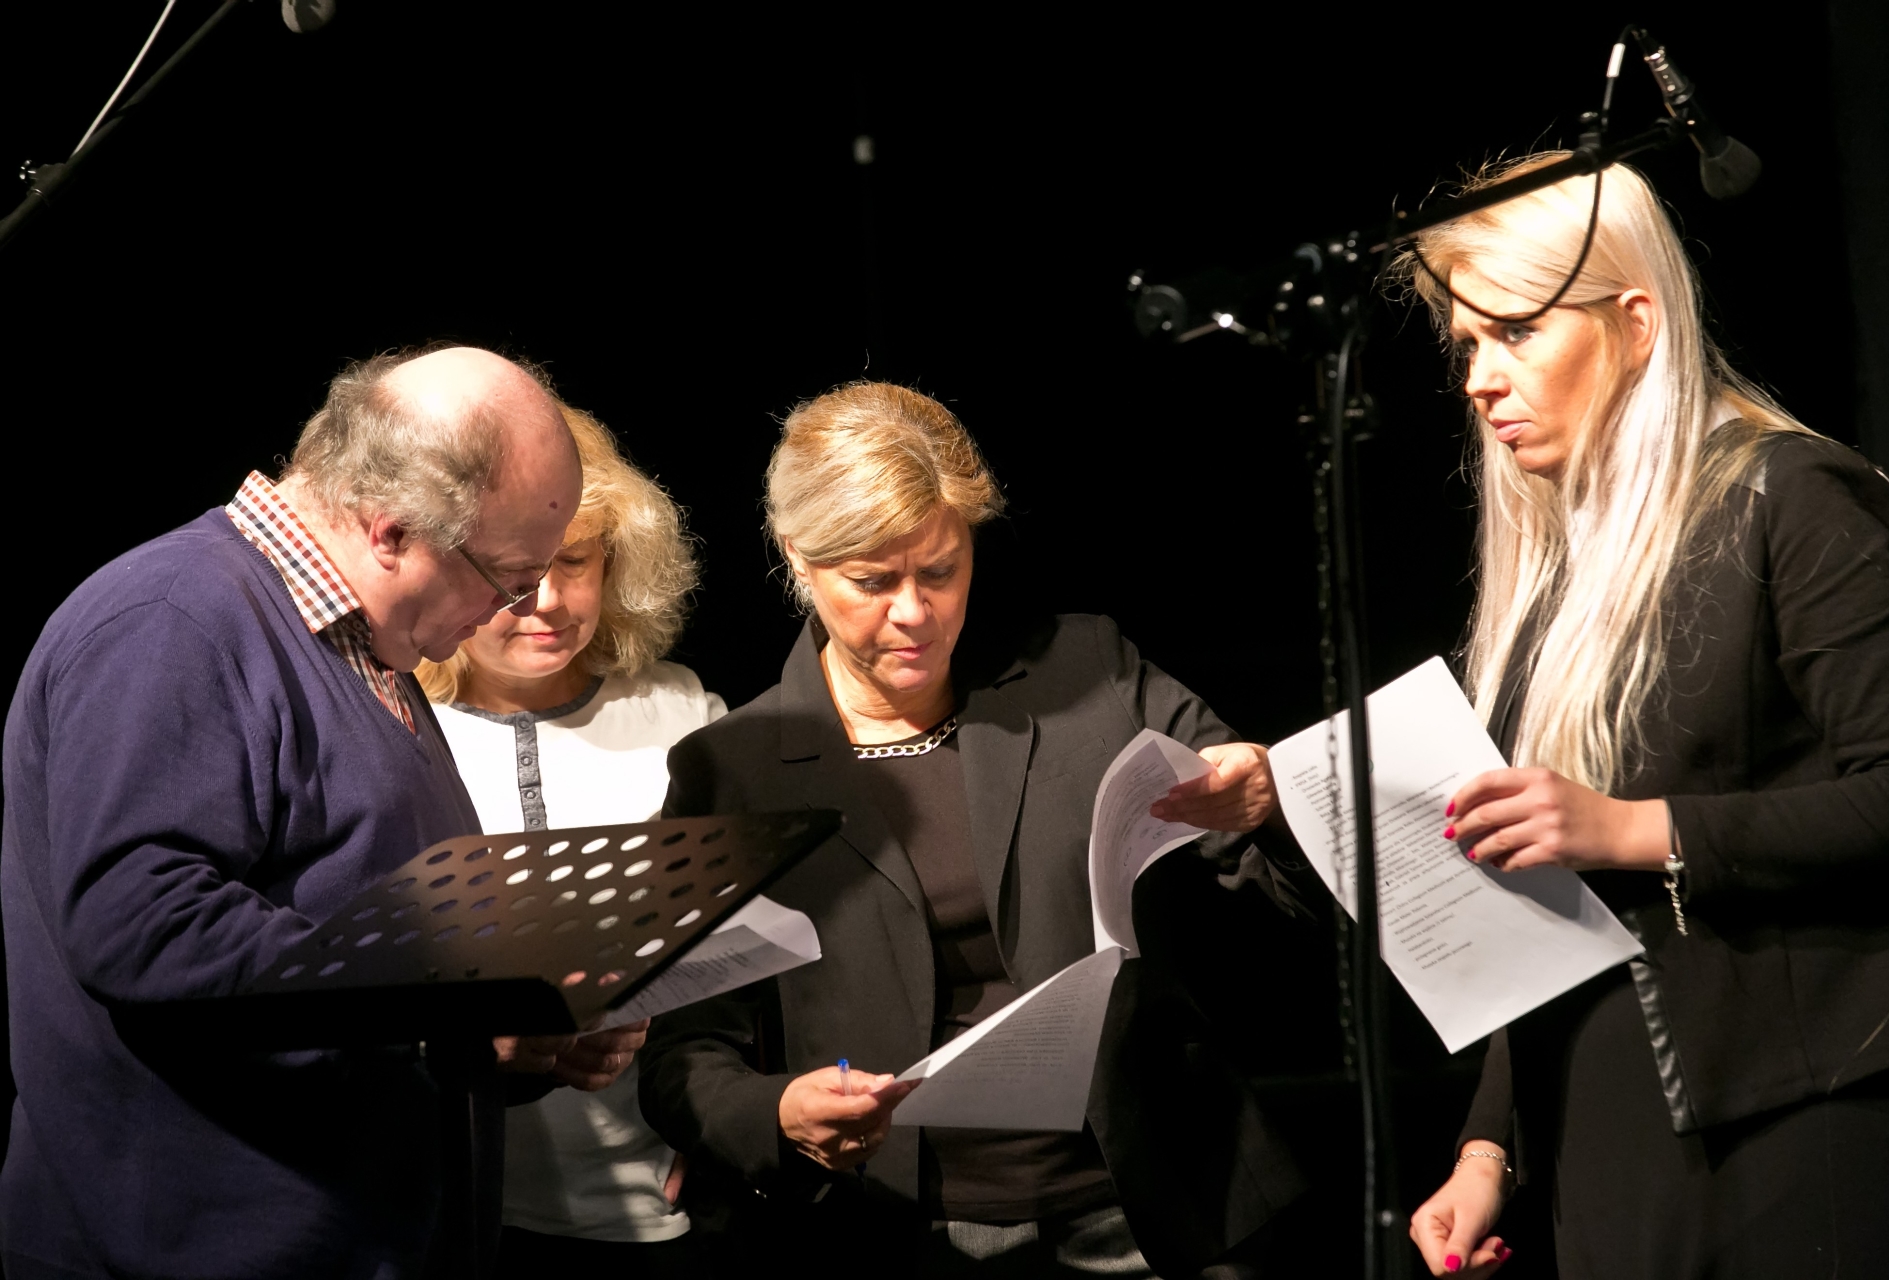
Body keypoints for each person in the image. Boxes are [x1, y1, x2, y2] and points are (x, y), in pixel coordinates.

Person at [635, 382, 1310, 1279]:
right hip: (892, 1228)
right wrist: (779, 1113)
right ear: (798, 558)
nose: (914, 611)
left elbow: (1280, 884)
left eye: (941, 570)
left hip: (1154, 1206)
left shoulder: (1087, 672)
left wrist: (1271, 801)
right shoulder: (734, 769)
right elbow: (684, 1053)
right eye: (873, 582)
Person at [0, 347, 647, 1279]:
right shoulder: (171, 618)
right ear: (391, 531)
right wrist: (449, 1014)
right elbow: (147, 926)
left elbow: (368, 946)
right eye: (506, 576)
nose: (514, 606)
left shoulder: (361, 646)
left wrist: (520, 1031)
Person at [1393, 157, 1889, 1278]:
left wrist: (1633, 828)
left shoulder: (1792, 496)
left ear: (1636, 324)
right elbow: (1547, 910)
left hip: (1799, 1109)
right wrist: (1490, 1145)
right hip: (1603, 1127)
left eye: (1517, 331)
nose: (1481, 379)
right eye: (1468, 346)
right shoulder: (1557, 571)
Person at [419, 402, 720, 1274]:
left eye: (574, 563)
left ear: (615, 565)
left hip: (646, 1203)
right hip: (445, 1203)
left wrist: (726, 1133)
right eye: (517, 573)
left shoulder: (682, 713)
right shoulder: (395, 724)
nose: (545, 602)